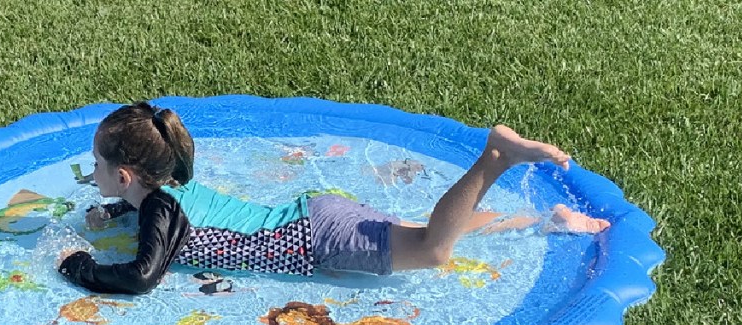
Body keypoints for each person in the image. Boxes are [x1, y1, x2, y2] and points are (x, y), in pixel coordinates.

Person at [57, 102, 609, 294]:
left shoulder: (159, 207)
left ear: (129, 174)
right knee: (423, 231)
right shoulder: (166, 183)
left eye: (101, 167)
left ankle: (494, 158)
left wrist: (80, 266)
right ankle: (544, 220)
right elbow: (154, 213)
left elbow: (141, 276)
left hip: (315, 237)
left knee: (433, 250)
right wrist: (109, 211)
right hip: (316, 215)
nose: (95, 172)